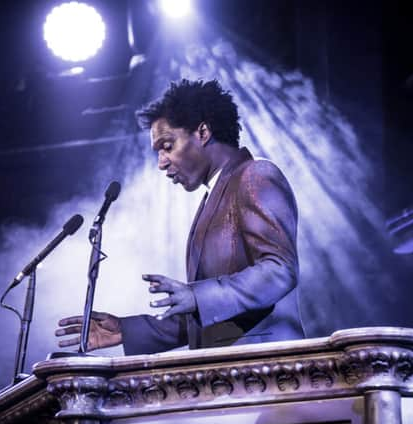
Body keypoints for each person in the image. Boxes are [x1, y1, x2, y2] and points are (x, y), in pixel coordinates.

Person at [56, 79, 305, 355]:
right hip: (225, 375)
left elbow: (280, 270)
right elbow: (209, 314)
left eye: (167, 145)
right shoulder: (212, 198)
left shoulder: (255, 175)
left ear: (203, 132)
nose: (161, 162)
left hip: (268, 372)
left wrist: (198, 295)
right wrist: (126, 331)